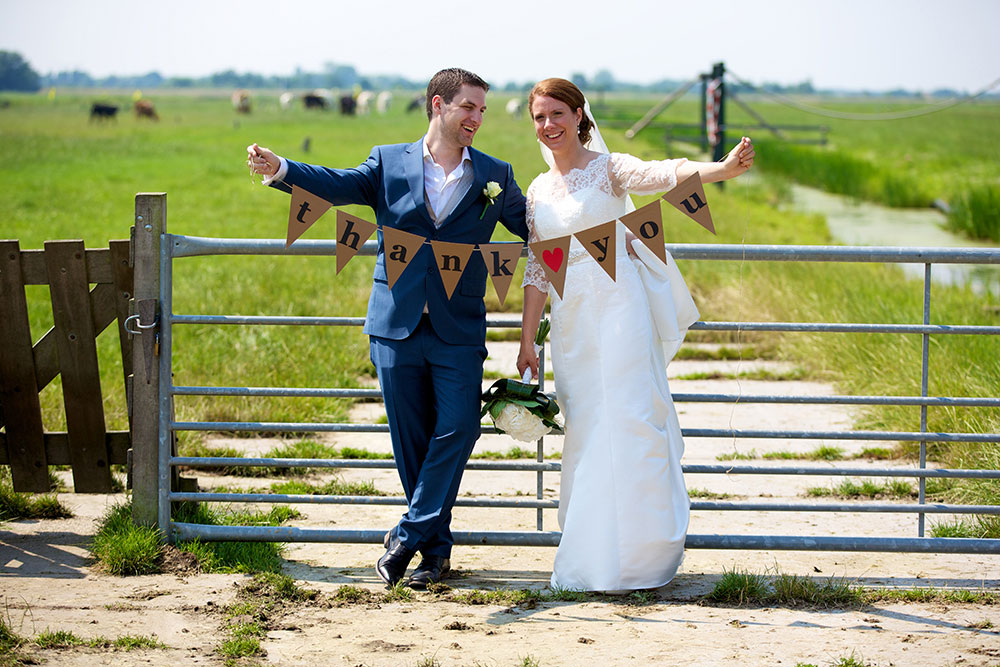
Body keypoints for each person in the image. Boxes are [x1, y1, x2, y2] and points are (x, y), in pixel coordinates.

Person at [248, 68, 529, 588]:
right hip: (394, 325)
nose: (477, 119)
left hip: (459, 327)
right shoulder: (387, 161)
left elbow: (538, 226)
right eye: (468, 107)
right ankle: (435, 554)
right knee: (412, 443)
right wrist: (282, 168)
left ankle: (405, 537)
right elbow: (338, 184)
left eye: (482, 110)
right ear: (438, 105)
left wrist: (599, 205)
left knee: (460, 427)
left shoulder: (497, 174)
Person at [516, 78, 754, 592]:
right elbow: (538, 266)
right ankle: (590, 554)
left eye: (558, 113)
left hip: (620, 304)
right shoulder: (536, 190)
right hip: (571, 319)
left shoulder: (609, 168)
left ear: (580, 116)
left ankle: (642, 558)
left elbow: (662, 174)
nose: (549, 125)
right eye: (539, 117)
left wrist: (721, 169)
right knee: (584, 425)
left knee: (628, 416)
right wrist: (527, 340)